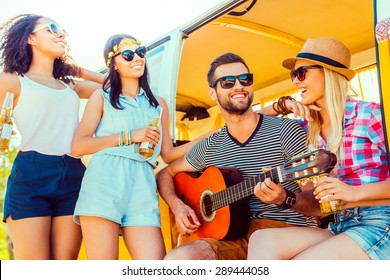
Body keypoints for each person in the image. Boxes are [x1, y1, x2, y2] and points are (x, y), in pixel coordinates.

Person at [156, 52, 321, 260]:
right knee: (178, 259)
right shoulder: (210, 147)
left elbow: (318, 203)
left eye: (245, 79)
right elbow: (165, 173)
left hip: (286, 232)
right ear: (213, 93)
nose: (238, 86)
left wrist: (284, 198)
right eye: (227, 82)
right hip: (233, 237)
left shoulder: (285, 131)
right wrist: (177, 206)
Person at [71, 34, 217, 260]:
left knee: (154, 266)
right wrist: (128, 136)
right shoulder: (101, 97)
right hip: (104, 182)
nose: (137, 58)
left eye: (141, 52)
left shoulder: (158, 105)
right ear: (114, 64)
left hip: (142, 183)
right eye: (128, 55)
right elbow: (79, 146)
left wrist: (202, 139)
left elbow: (167, 154)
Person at [248, 37, 390, 260]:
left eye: (301, 73)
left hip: (381, 222)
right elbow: (247, 123)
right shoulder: (307, 131)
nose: (296, 81)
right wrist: (280, 106)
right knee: (261, 240)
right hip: (341, 224)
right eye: (293, 75)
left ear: (328, 73)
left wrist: (353, 192)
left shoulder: (370, 115)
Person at [0, 14, 105, 259]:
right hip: (31, 174)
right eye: (53, 28)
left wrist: (76, 70)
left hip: (73, 174)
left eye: (62, 30)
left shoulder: (70, 85)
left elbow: (113, 87)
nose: (61, 34)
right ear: (30, 38)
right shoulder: (12, 81)